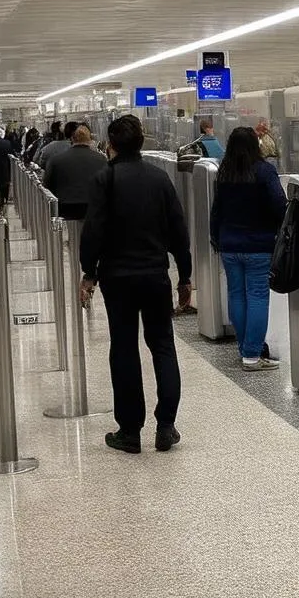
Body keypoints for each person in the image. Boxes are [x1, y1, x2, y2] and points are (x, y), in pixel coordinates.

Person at [79, 114, 192, 455]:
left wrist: (89, 272)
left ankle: (129, 431)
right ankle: (166, 425)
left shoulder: (104, 180)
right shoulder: (159, 180)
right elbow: (178, 232)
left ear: (110, 145)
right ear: (141, 142)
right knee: (162, 345)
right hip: (155, 276)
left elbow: (93, 231)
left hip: (117, 278)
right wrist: (184, 277)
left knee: (124, 347)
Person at [209, 126, 286, 372]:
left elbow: (217, 209)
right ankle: (252, 355)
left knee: (236, 295)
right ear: (256, 145)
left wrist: (216, 237)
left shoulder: (224, 173)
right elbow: (279, 205)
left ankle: (244, 348)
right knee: (257, 296)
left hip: (229, 244)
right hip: (259, 245)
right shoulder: (265, 172)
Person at [43, 123, 106, 220]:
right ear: (90, 140)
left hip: (65, 209)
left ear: (72, 139)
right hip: (93, 208)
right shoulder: (101, 159)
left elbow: (47, 185)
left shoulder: (56, 160)